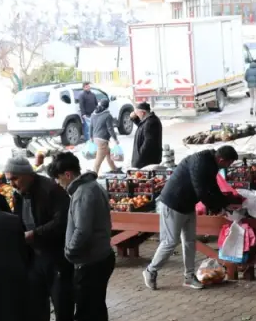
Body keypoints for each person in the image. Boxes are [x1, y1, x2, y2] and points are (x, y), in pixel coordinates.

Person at [50, 152, 115, 321]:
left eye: (58, 179)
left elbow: (82, 230)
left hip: (90, 262)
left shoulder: (83, 193)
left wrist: (70, 251)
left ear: (68, 174)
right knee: (96, 314)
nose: (58, 184)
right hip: (99, 258)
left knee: (87, 317)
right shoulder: (90, 187)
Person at [143, 146, 242, 291]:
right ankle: (150, 270)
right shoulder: (200, 162)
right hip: (172, 204)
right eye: (229, 163)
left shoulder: (212, 163)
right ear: (221, 159)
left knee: (190, 241)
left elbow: (213, 187)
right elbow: (201, 190)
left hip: (188, 205)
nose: (229, 166)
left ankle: (189, 277)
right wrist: (217, 208)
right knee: (170, 242)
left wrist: (224, 204)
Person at [6, 156, 72, 321]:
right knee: (35, 303)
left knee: (62, 305)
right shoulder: (18, 193)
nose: (12, 183)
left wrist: (35, 234)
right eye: (9, 179)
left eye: (15, 178)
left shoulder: (51, 190)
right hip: (34, 255)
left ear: (28, 175)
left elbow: (62, 222)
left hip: (56, 255)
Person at [89, 97, 120, 174]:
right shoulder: (107, 115)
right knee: (98, 160)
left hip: (96, 138)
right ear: (107, 106)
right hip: (102, 141)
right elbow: (110, 129)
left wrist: (90, 137)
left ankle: (114, 169)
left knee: (108, 154)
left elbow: (91, 127)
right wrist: (115, 139)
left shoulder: (93, 114)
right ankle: (94, 174)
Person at [130, 103, 163, 169]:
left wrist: (139, 157)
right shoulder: (148, 120)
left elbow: (148, 143)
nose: (136, 114)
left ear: (143, 113)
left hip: (147, 161)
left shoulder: (151, 123)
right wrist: (133, 118)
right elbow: (141, 126)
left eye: (137, 113)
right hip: (146, 160)